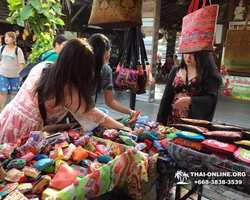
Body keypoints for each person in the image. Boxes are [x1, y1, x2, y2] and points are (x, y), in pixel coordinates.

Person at [0, 39, 128, 143]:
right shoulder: (66, 89)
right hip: (25, 131)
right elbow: (94, 114)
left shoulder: (45, 66)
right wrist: (122, 127)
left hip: (8, 117)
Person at [157, 51, 222, 126]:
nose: (188, 57)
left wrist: (190, 100)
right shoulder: (175, 71)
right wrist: (160, 122)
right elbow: (166, 98)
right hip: (171, 121)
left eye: (193, 55)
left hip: (193, 124)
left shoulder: (209, 75)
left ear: (202, 56)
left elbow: (211, 99)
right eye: (185, 53)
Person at [87, 33, 134, 115]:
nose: (106, 62)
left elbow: (110, 101)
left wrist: (130, 112)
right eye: (104, 58)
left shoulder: (106, 71)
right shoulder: (78, 70)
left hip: (85, 111)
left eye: (108, 58)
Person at [0, 32, 25, 111]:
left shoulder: (18, 50)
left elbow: (21, 63)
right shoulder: (2, 48)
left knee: (14, 93)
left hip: (15, 75)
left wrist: (22, 75)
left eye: (9, 37)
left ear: (13, 39)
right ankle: (2, 110)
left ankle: (11, 110)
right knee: (2, 93)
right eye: (5, 37)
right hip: (3, 74)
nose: (6, 39)